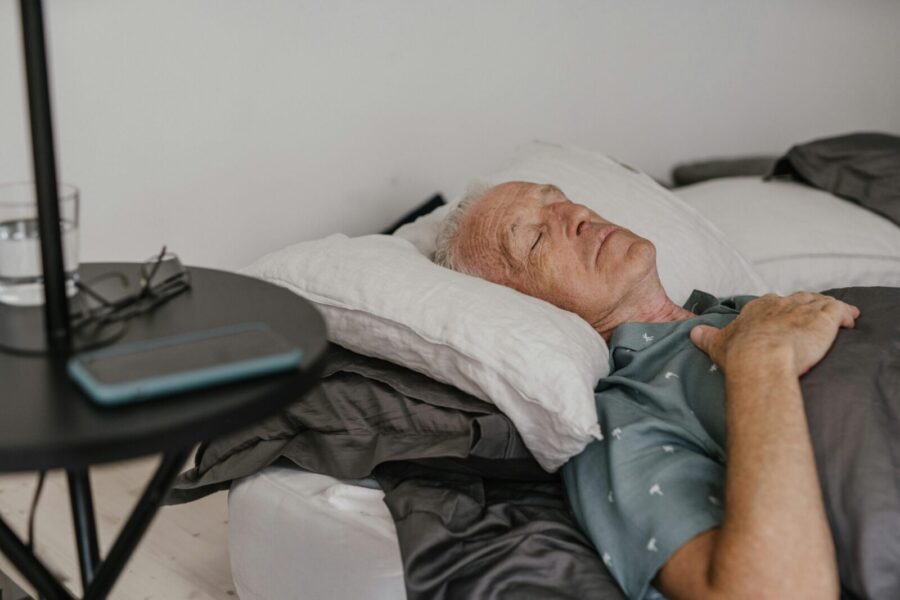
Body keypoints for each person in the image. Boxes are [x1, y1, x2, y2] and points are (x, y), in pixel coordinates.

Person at [433, 181, 860, 600]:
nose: (577, 215)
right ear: (521, 308)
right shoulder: (624, 415)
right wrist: (761, 362)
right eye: (535, 239)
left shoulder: (747, 307)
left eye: (561, 199)